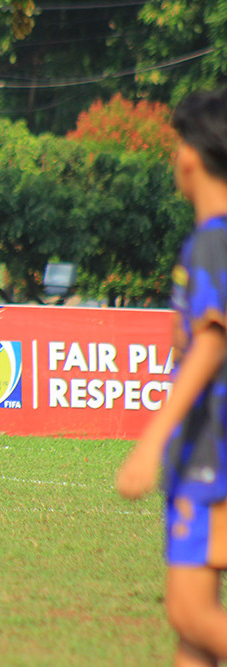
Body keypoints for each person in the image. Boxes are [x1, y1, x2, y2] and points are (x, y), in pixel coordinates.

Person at [117, 88, 227, 666]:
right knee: (192, 642)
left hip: (211, 456)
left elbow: (210, 344)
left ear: (189, 156)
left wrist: (150, 442)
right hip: (209, 455)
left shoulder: (213, 241)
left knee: (189, 613)